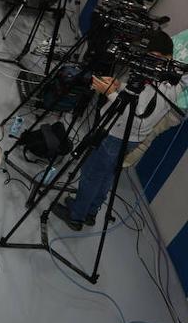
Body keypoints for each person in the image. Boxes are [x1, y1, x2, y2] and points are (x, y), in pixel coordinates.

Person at [52, 31, 178, 230]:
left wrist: (110, 94)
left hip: (116, 135)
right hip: (127, 138)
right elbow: (138, 95)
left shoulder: (163, 87)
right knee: (106, 174)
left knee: (92, 174)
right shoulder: (165, 78)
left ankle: (76, 215)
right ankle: (90, 211)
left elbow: (135, 117)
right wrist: (120, 86)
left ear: (162, 56)